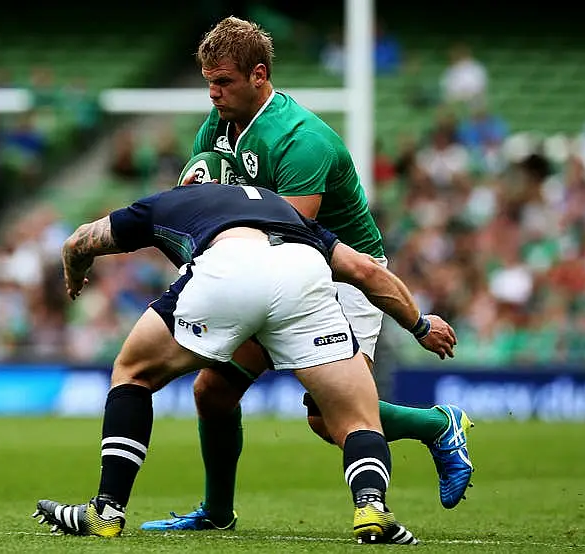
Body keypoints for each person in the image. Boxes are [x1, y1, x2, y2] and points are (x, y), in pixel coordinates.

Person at [141, 16, 473, 533]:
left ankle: (438, 425)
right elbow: (204, 204)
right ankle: (218, 514)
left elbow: (290, 232)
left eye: (223, 81)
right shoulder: (219, 126)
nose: (212, 93)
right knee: (212, 391)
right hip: (267, 269)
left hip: (340, 275)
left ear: (259, 75)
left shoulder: (302, 139)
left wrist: (417, 323)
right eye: (208, 80)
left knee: (327, 416)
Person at [33, 182, 458, 543]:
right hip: (303, 275)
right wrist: (420, 325)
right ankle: (371, 508)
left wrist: (74, 268)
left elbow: (80, 241)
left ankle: (106, 510)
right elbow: (365, 270)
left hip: (231, 266)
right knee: (355, 418)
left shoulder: (171, 201)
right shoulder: (281, 206)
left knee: (133, 372)